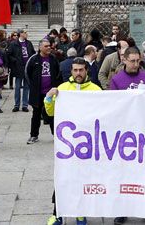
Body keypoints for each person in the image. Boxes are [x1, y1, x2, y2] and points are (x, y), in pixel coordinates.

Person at [45, 58, 99, 225]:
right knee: (62, 178)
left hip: (87, 145)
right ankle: (58, 213)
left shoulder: (96, 90)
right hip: (67, 145)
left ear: (86, 71)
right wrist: (48, 98)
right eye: (75, 70)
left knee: (84, 179)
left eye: (81, 70)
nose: (77, 73)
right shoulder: (62, 89)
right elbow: (51, 112)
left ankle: (80, 213)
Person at [26, 38, 62, 144]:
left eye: (49, 46)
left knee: (52, 114)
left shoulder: (53, 59)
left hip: (50, 93)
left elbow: (57, 73)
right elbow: (28, 74)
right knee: (36, 114)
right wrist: (33, 86)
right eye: (46, 46)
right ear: (40, 47)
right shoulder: (33, 60)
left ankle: (56, 135)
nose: (48, 48)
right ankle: (33, 135)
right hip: (38, 93)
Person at [9, 30, 35, 112]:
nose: (26, 34)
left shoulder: (29, 43)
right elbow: (9, 54)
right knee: (17, 87)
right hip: (18, 68)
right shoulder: (14, 43)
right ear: (21, 34)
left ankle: (25, 105)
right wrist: (15, 61)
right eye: (25, 33)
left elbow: (33, 52)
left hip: (27, 67)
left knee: (26, 87)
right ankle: (16, 105)